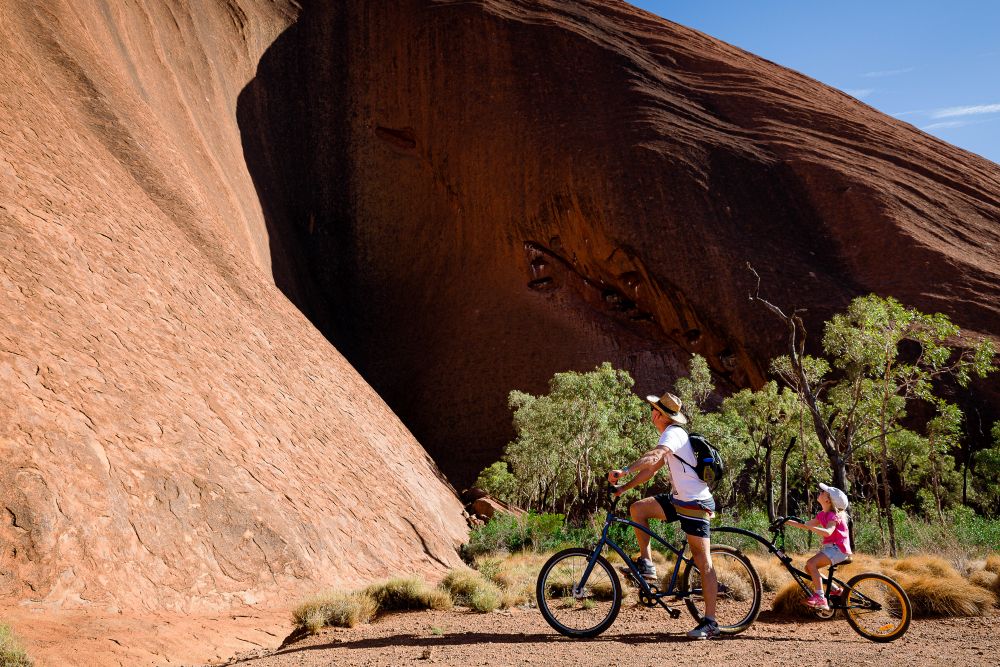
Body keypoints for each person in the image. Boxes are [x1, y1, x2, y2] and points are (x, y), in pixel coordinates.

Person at [607, 391, 719, 640]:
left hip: (695, 503)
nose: (650, 414)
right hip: (678, 499)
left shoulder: (673, 433)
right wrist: (624, 489)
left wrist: (624, 471)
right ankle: (647, 565)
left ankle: (710, 622)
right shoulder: (669, 436)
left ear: (659, 415)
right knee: (638, 509)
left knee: (703, 560)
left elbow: (654, 456)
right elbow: (652, 469)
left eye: (652, 410)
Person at [787, 483, 852, 611]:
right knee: (808, 568)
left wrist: (812, 527)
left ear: (828, 500)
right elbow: (805, 525)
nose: (820, 493)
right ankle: (836, 590)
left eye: (823, 492)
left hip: (838, 549)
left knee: (811, 563)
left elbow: (828, 532)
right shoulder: (822, 514)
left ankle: (821, 598)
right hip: (831, 548)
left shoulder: (834, 516)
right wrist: (786, 521)